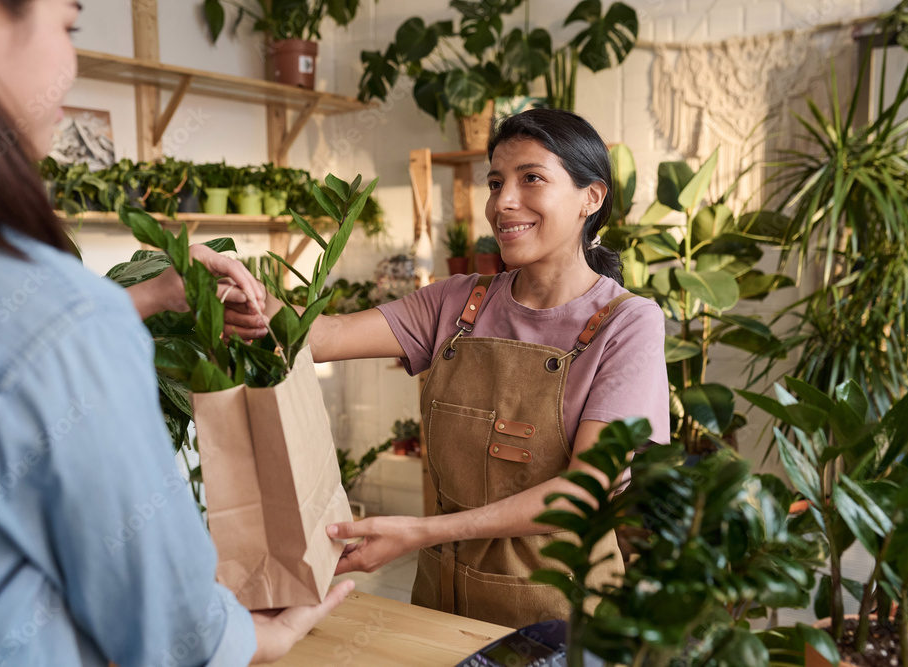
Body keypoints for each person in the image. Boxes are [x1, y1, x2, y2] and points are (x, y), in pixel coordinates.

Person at [0, 0, 350, 664]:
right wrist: (268, 635)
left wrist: (156, 292)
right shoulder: (56, 317)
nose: (73, 61)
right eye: (69, 26)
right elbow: (163, 617)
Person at [229, 108, 671, 629]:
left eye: (531, 178)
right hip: (441, 600)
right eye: (495, 182)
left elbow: (583, 491)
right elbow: (323, 335)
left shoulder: (627, 324)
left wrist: (419, 533)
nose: (503, 202)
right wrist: (238, 291)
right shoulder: (457, 302)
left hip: (558, 618)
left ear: (590, 198)